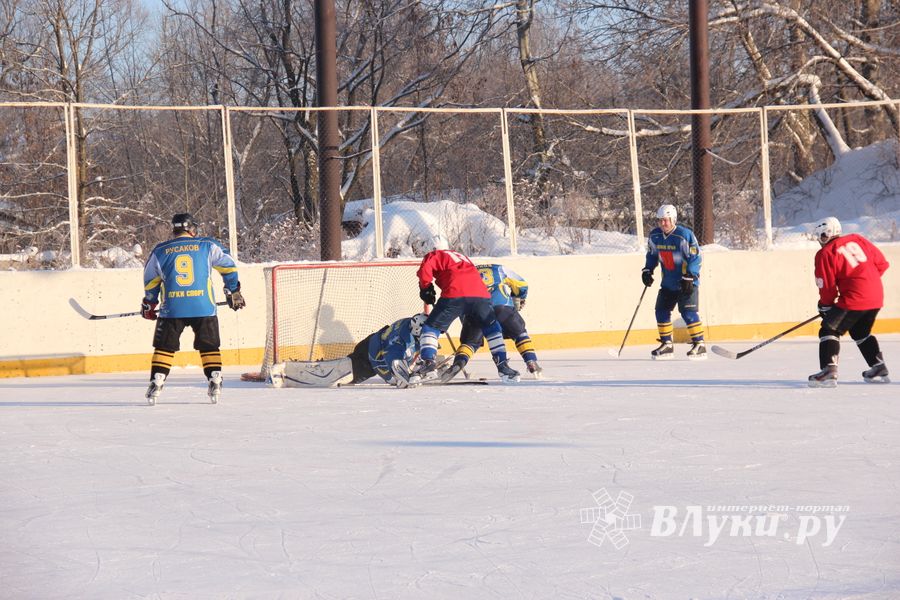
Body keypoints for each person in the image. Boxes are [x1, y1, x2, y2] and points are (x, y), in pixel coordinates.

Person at [141, 213, 245, 404]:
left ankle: (157, 380)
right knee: (209, 346)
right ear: (191, 229)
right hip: (203, 306)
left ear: (174, 230)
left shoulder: (160, 250)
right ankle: (214, 378)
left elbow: (151, 281)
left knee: (164, 347)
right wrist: (233, 291)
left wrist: (150, 303)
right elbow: (229, 266)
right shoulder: (207, 245)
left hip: (172, 308)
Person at [413, 234, 520, 383]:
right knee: (492, 329)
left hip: (455, 293)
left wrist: (425, 288)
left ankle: (428, 363)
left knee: (431, 328)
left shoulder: (435, 254)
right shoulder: (461, 256)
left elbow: (425, 272)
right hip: (481, 295)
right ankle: (503, 367)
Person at [808, 217, 890, 387]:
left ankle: (829, 371)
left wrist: (825, 305)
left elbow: (827, 287)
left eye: (821, 236)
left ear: (826, 234)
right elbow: (882, 264)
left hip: (855, 298)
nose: (820, 240)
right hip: (876, 295)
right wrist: (866, 284)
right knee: (860, 331)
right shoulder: (857, 239)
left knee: (829, 329)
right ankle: (878, 367)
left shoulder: (826, 253)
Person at [268, 314, 429, 388]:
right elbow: (388, 363)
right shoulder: (400, 342)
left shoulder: (409, 323)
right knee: (331, 375)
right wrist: (396, 379)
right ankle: (286, 372)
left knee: (336, 372)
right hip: (367, 360)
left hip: (369, 346)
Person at [442, 263, 541, 382]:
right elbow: (522, 285)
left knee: (470, 342)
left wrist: (465, 319)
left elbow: (456, 297)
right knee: (519, 333)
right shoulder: (498, 269)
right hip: (502, 306)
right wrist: (519, 297)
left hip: (475, 309)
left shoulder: (466, 274)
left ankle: (458, 363)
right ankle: (531, 361)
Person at [641, 204, 706, 360]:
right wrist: (648, 270)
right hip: (668, 283)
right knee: (661, 311)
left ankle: (700, 345)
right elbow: (652, 255)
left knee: (688, 313)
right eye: (660, 220)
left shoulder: (684, 235)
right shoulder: (655, 236)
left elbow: (695, 257)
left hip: (686, 282)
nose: (663, 223)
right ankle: (667, 345)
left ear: (673, 219)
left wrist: (690, 275)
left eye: (666, 220)